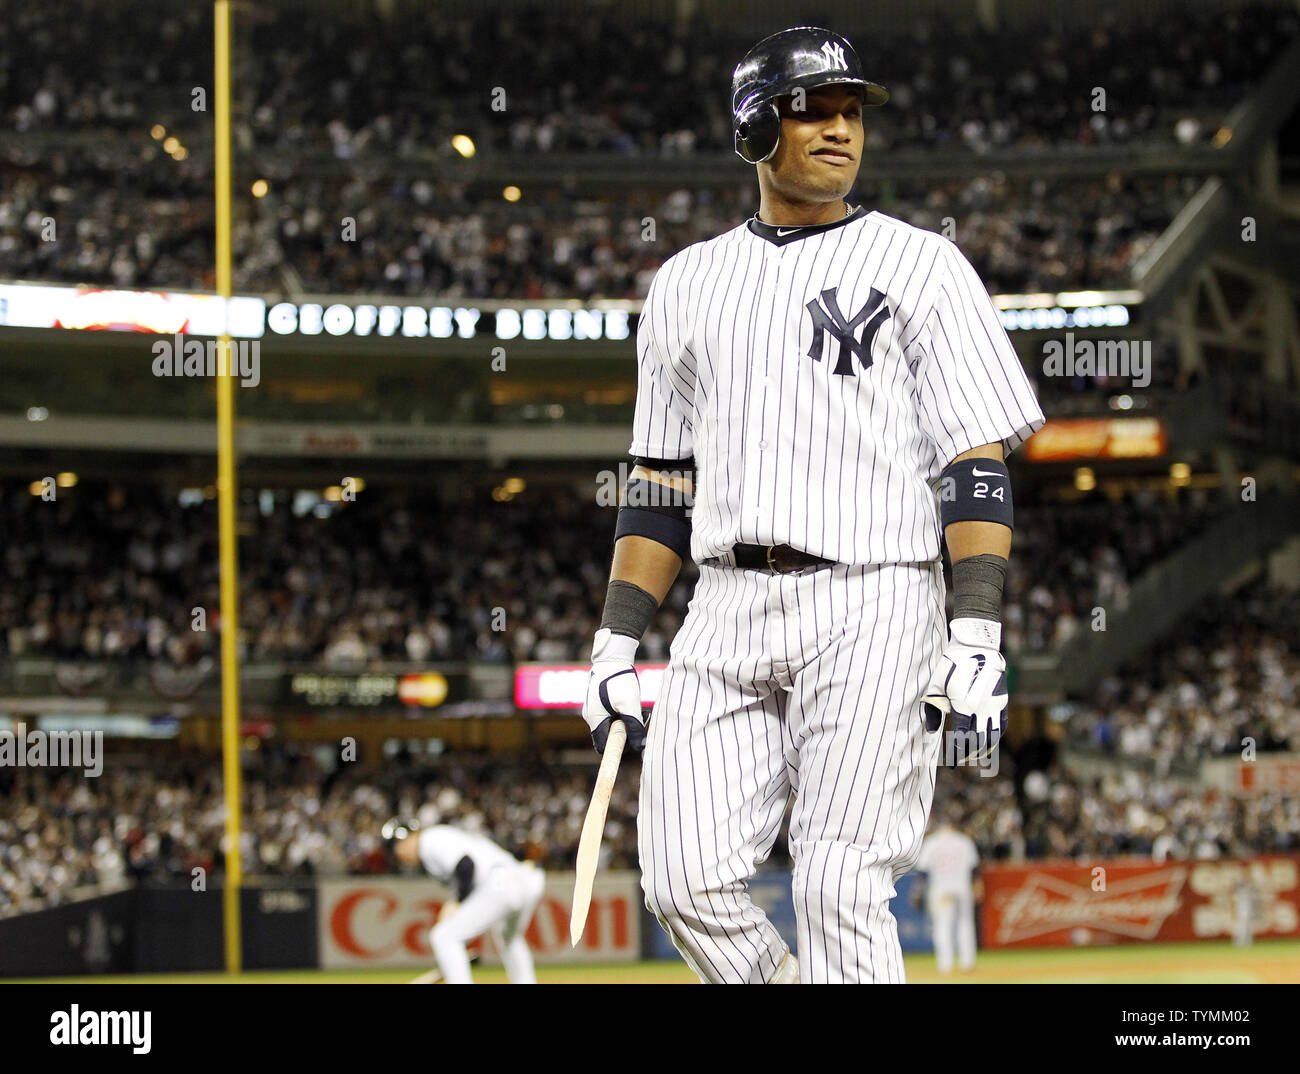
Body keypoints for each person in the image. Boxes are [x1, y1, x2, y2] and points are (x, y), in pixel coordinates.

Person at [581, 26, 1043, 983]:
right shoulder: (685, 285)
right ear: (755, 130)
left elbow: (974, 462)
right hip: (723, 605)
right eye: (810, 110)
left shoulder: (922, 265)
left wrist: (977, 632)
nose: (839, 130)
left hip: (875, 594)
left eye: (849, 111)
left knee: (839, 885)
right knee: (682, 883)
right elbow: (659, 483)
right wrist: (617, 641)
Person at [387, 820, 545, 984]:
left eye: (397, 847)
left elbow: (466, 865)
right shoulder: (441, 837)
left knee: (444, 937)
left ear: (408, 838)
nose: (399, 854)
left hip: (500, 883)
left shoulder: (429, 840)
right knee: (509, 938)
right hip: (523, 880)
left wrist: (457, 903)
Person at [915, 815, 981, 974]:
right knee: (965, 924)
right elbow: (975, 869)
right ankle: (968, 962)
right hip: (962, 888)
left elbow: (922, 872)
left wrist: (918, 891)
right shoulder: (964, 841)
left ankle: (945, 965)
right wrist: (978, 888)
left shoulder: (932, 842)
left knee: (942, 926)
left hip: (941, 890)